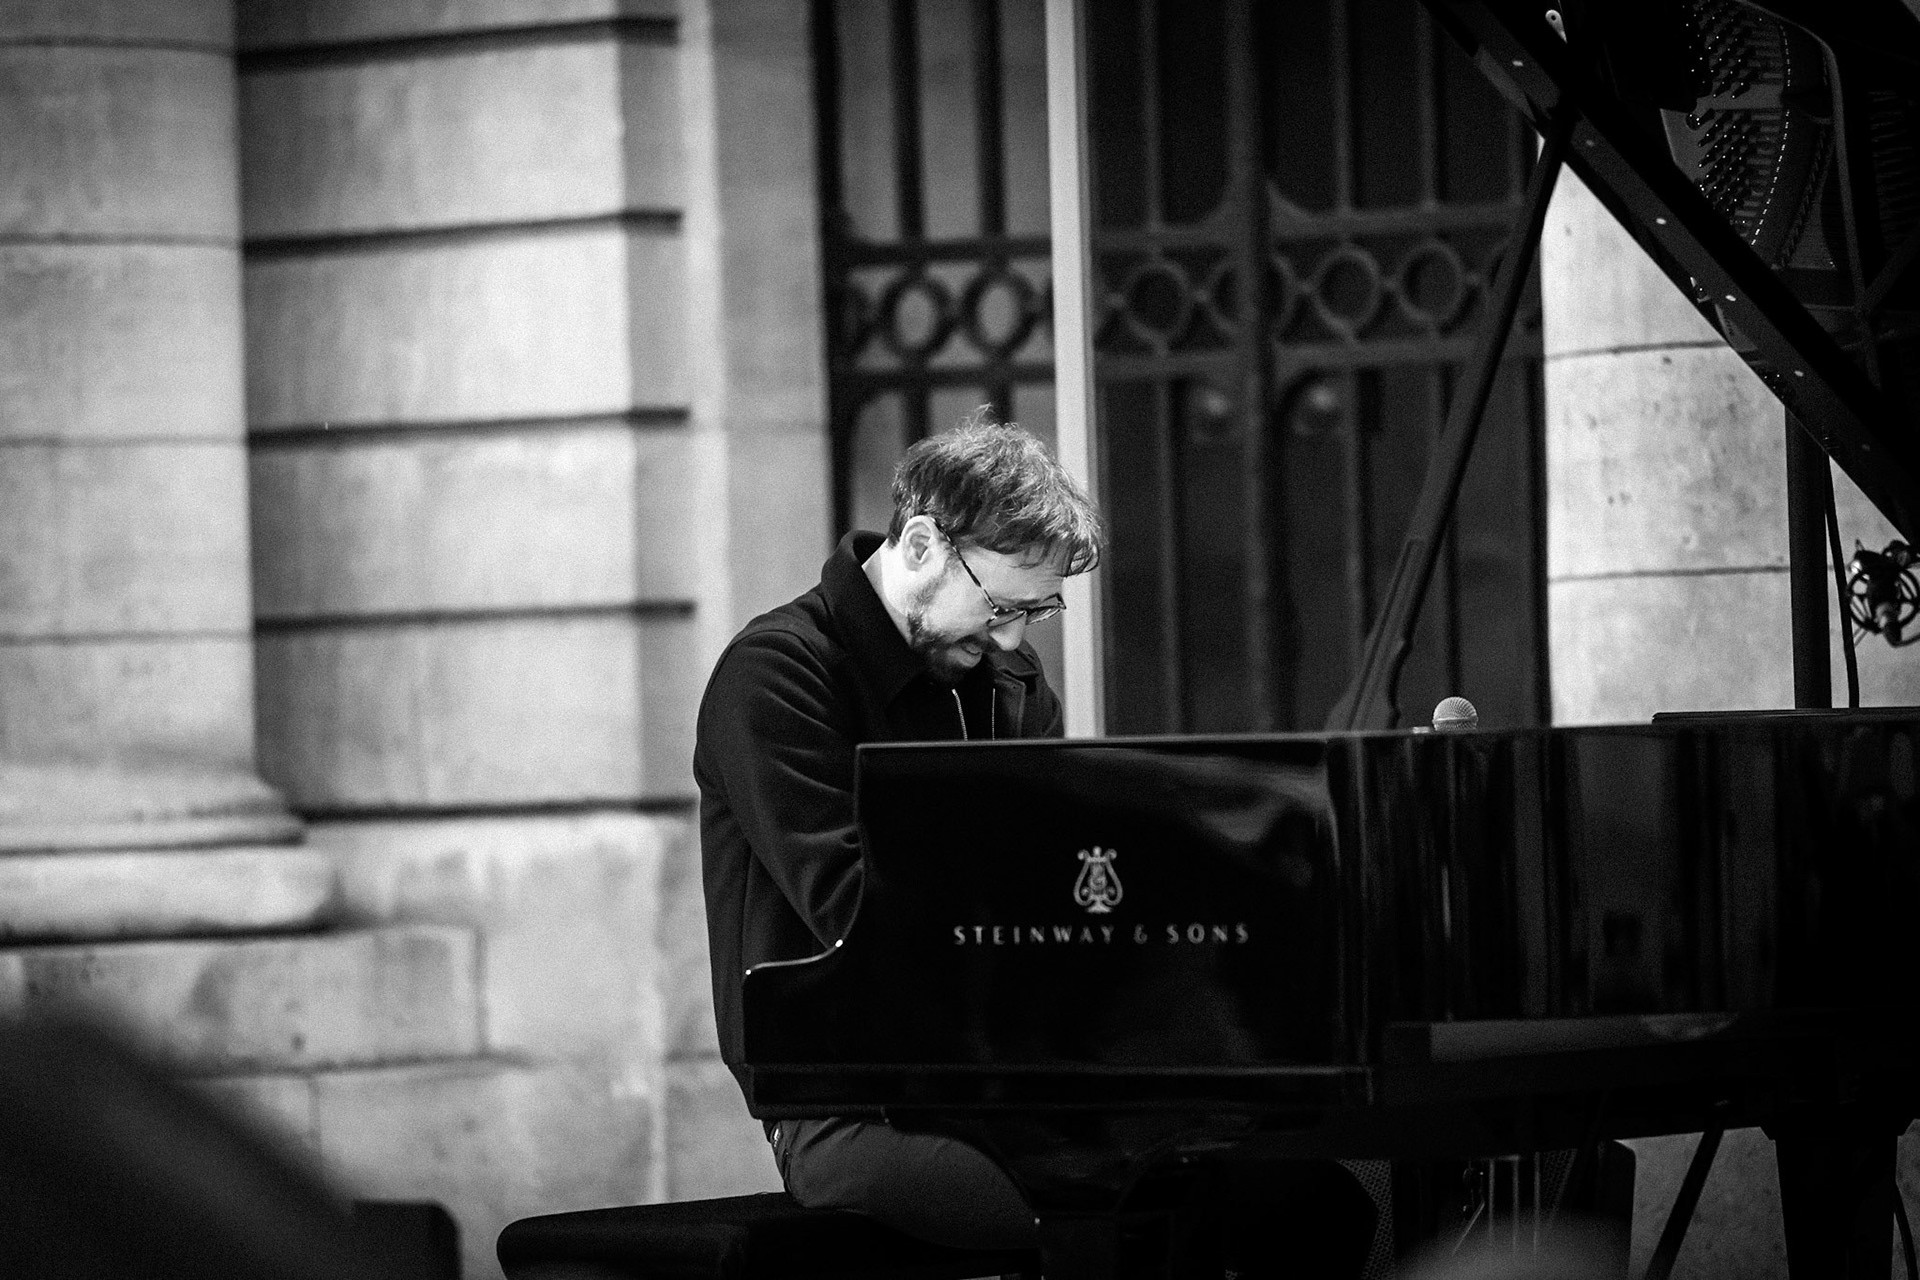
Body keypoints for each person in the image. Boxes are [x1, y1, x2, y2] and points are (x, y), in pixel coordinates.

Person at [694, 418, 1097, 1250]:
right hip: (843, 1105)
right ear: (920, 543)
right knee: (1088, 1231)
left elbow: (1054, 885)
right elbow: (858, 913)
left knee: (1298, 1200)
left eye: (1039, 610)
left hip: (1007, 1085)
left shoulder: (1009, 678)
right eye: (1001, 606)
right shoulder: (776, 675)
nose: (1015, 641)